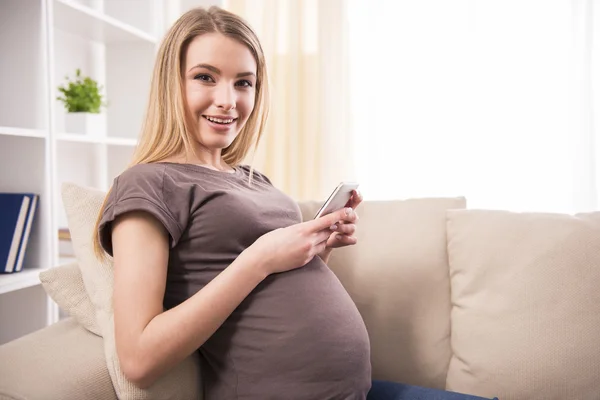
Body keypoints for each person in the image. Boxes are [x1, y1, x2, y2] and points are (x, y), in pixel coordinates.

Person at [92, 6, 498, 400]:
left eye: (243, 83)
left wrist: (319, 247)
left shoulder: (252, 179)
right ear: (171, 83)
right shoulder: (147, 185)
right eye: (205, 77)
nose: (228, 100)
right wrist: (259, 259)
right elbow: (139, 360)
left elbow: (273, 287)